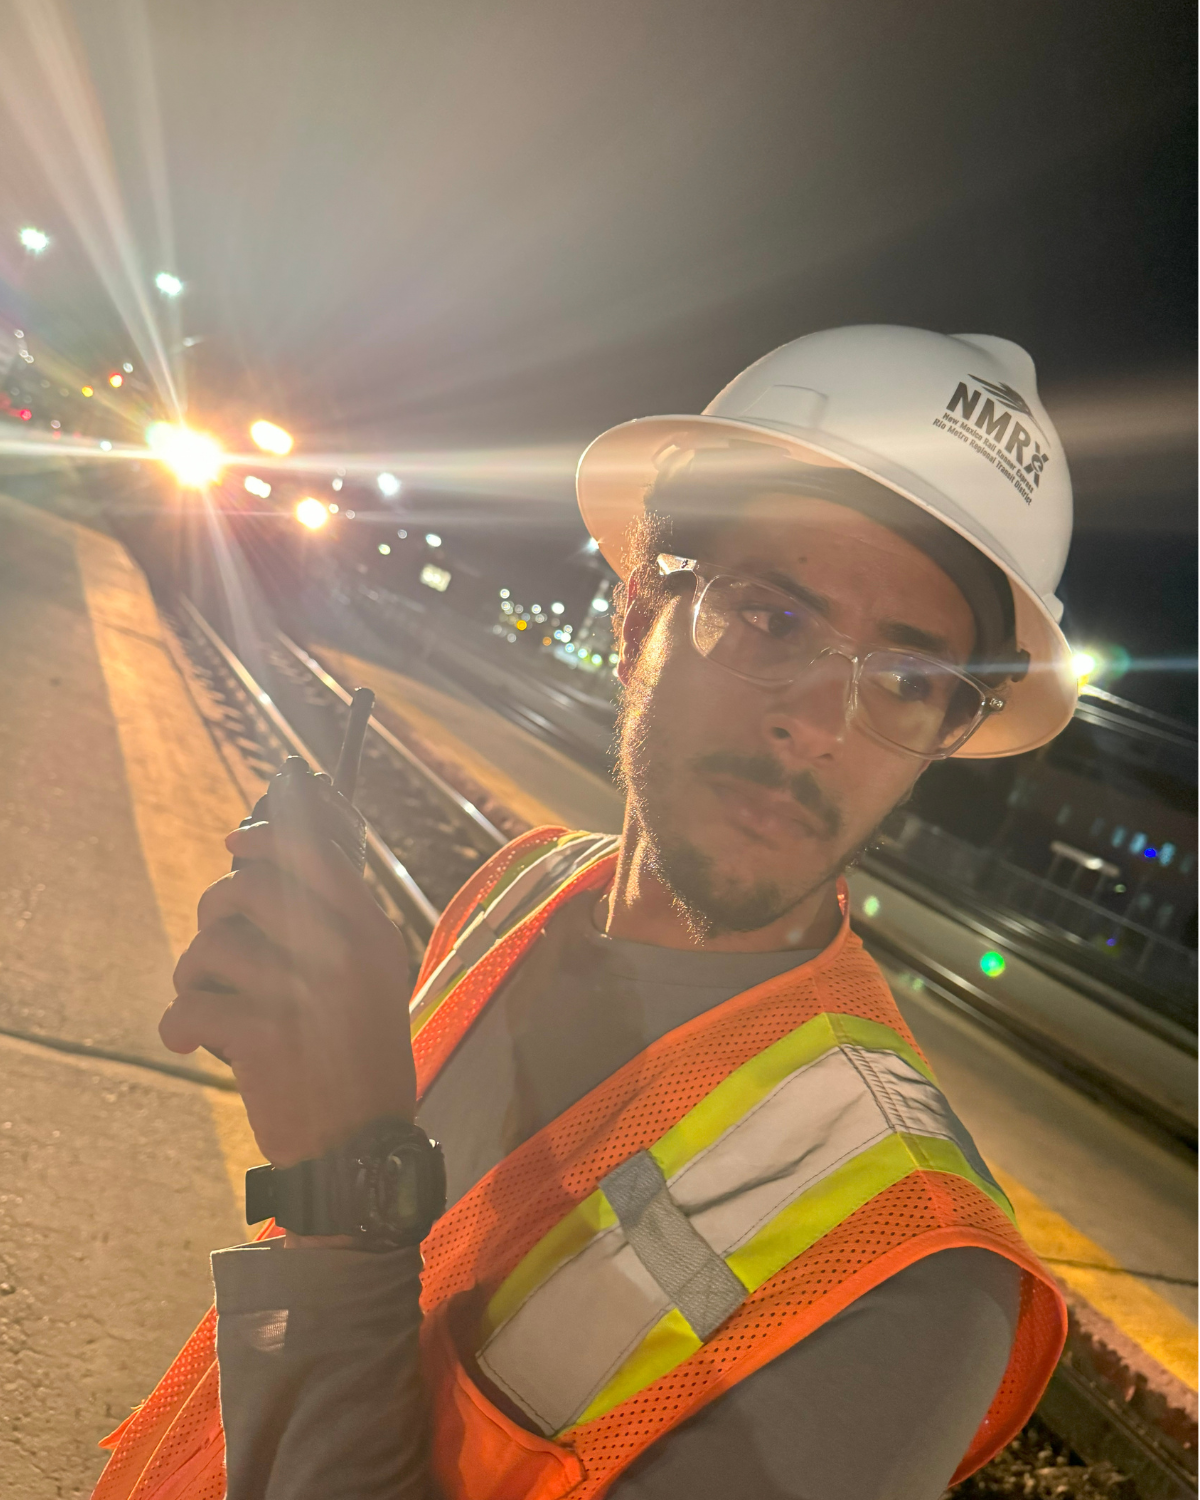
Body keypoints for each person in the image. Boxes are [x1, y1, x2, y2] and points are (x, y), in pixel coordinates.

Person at [93, 326, 1075, 1500]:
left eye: (910, 682)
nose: (817, 722)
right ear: (634, 614)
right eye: (773, 618)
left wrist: (340, 1178)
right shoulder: (526, 882)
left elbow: (346, 1257)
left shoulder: (907, 1281)